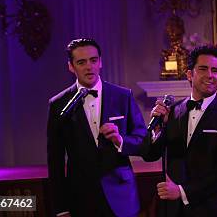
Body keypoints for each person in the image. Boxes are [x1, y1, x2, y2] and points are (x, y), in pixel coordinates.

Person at [141, 45, 217, 217]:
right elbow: (149, 154)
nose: (210, 75)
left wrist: (182, 192)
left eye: (215, 70)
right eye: (203, 69)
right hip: (171, 210)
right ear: (189, 74)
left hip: (210, 209)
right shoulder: (172, 111)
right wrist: (157, 128)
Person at [47, 38, 147, 216]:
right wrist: (61, 208)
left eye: (93, 60)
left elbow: (143, 141)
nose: (89, 67)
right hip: (81, 198)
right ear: (71, 66)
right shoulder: (58, 104)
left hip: (121, 196)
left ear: (100, 62)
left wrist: (120, 140)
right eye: (81, 62)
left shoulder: (122, 96)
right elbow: (55, 159)